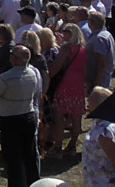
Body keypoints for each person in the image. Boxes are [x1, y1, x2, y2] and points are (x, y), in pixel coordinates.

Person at [0, 45, 41, 187]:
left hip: (11, 120)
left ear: (15, 59)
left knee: (14, 159)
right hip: (29, 117)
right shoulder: (32, 73)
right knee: (29, 156)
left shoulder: (6, 77)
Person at [48, 23, 86, 157]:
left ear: (70, 33)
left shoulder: (66, 49)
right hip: (78, 83)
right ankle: (72, 145)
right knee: (76, 117)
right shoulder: (82, 48)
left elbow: (56, 67)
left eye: (65, 31)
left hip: (65, 83)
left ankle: (57, 147)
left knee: (59, 116)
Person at [81, 87, 115, 187]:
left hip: (107, 182)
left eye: (91, 98)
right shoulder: (96, 124)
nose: (87, 100)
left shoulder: (106, 131)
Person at [85, 11, 115, 93]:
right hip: (102, 78)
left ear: (92, 22)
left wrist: (96, 84)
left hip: (99, 80)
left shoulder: (99, 38)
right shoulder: (106, 34)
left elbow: (101, 62)